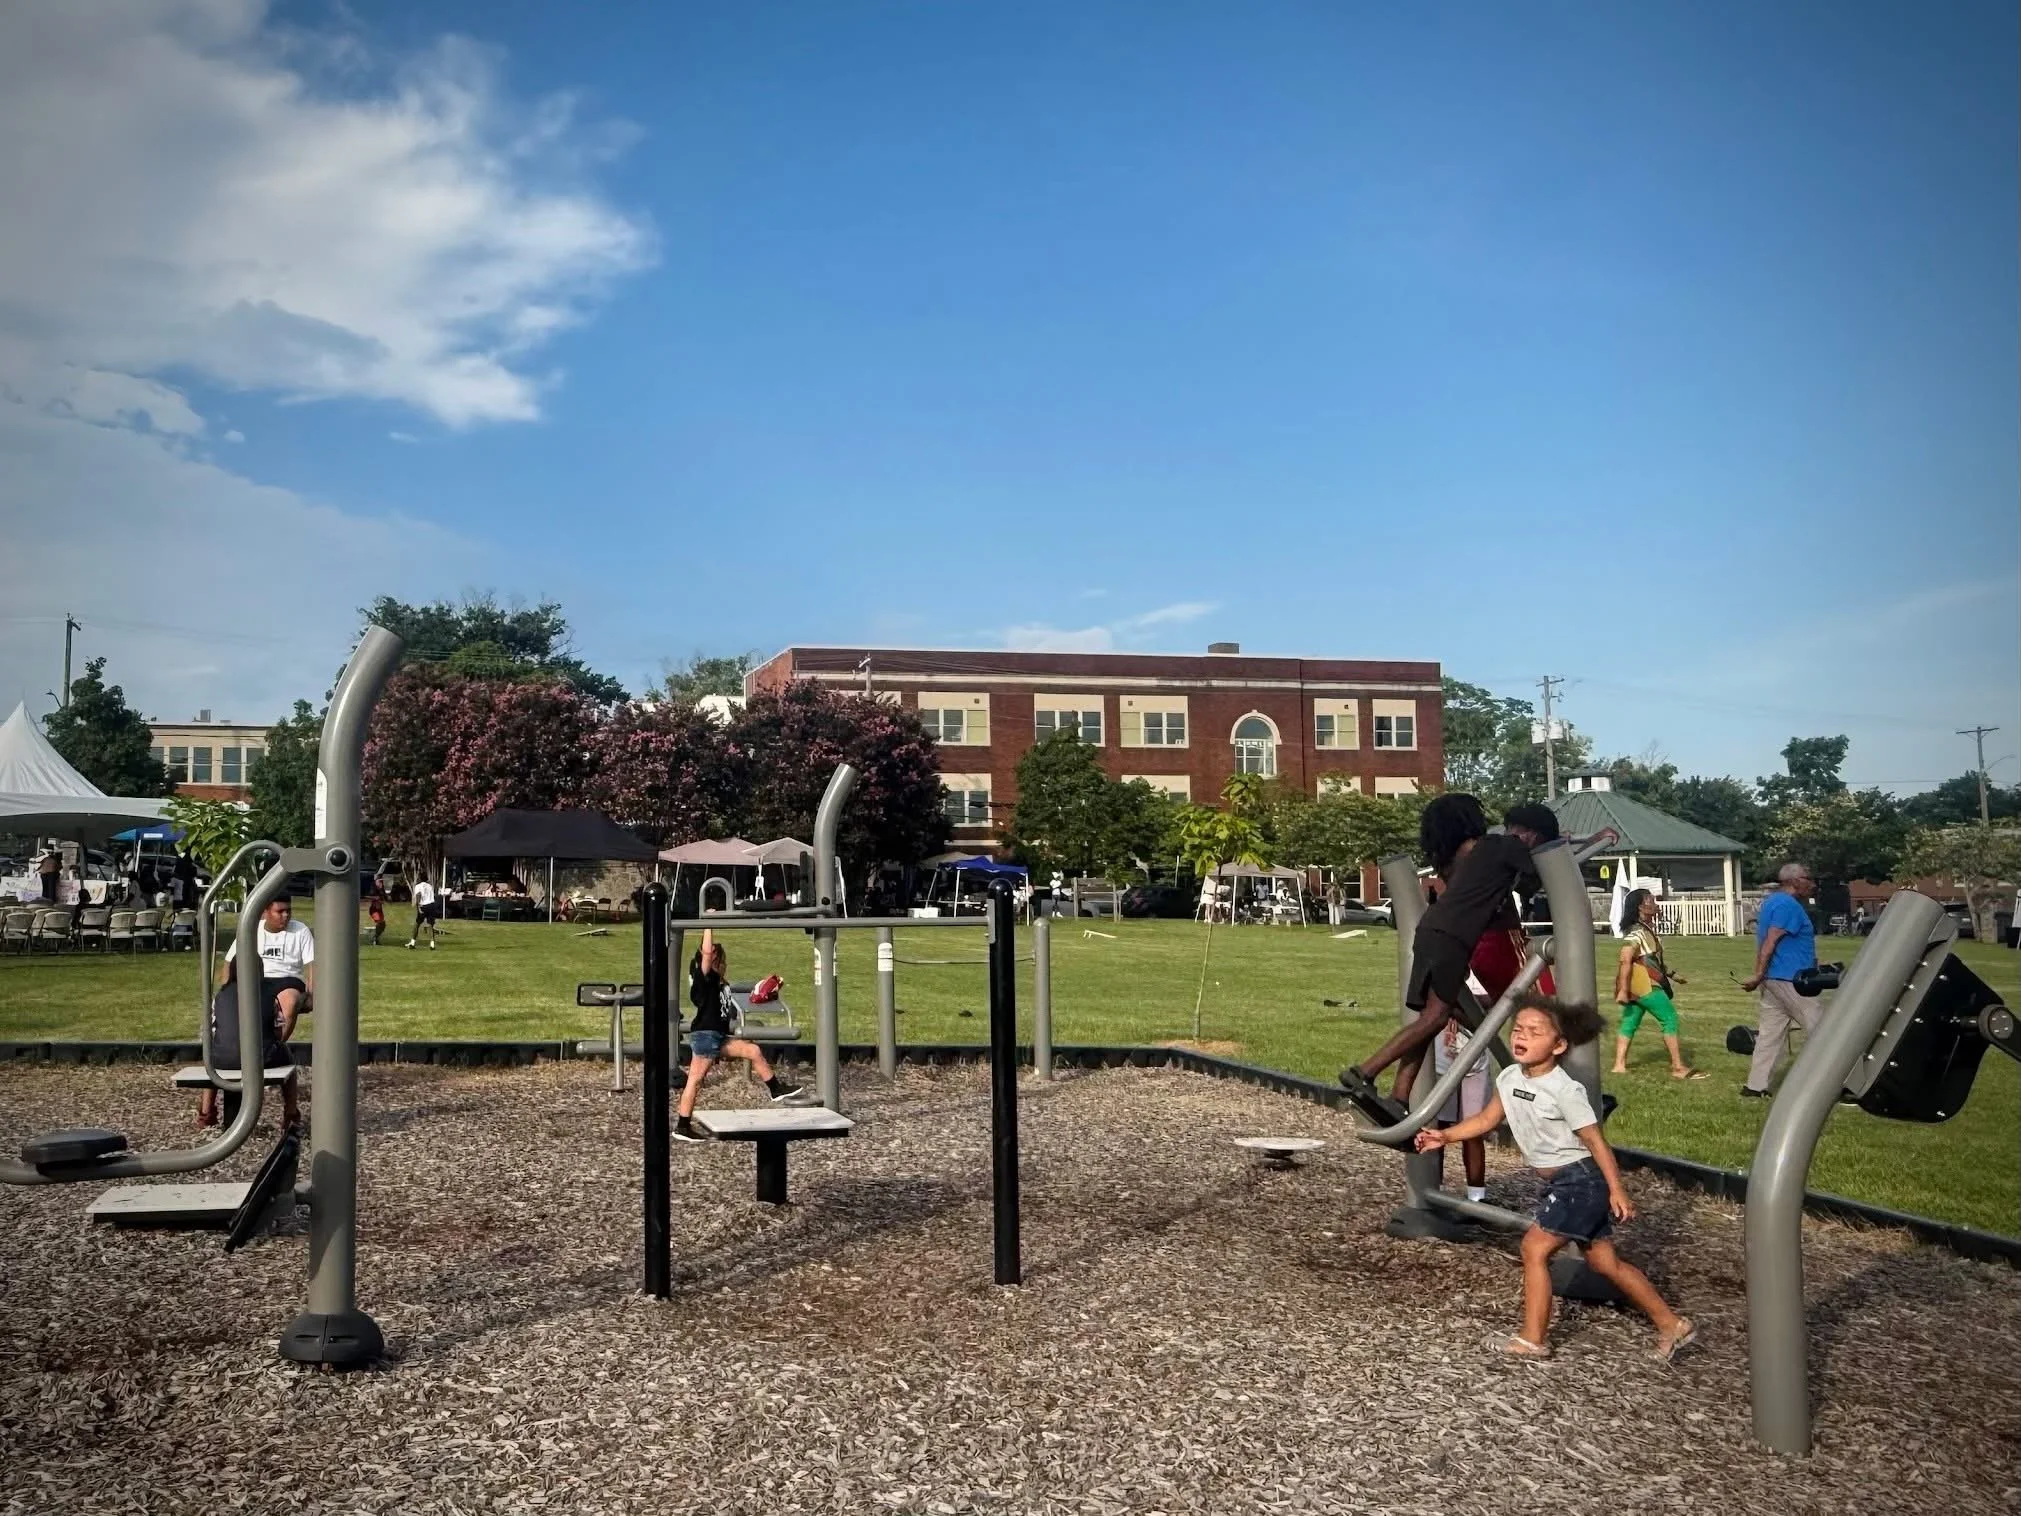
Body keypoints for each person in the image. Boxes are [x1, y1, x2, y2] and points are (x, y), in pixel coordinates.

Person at [1417, 1001, 1697, 1362]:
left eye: (1535, 1032)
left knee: (1534, 1249)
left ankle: (1532, 1339)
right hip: (1565, 1183)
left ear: (1559, 1046)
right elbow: (1486, 1120)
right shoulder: (1510, 1077)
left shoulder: (1565, 1090)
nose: (1522, 1036)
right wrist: (1445, 1136)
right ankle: (1672, 1324)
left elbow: (1595, 1141)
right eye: (1518, 1029)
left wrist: (1617, 1189)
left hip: (1579, 1181)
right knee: (1605, 1264)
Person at [1338, 796, 1561, 1121]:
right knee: (1436, 1019)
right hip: (1456, 940)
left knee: (1429, 1021)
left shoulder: (1448, 861)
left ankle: (1399, 1096)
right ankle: (1364, 1071)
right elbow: (1535, 873)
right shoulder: (1493, 846)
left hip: (1429, 931)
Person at [673, 929, 802, 1142]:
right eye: (721, 958)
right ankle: (682, 1126)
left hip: (717, 1036)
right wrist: (708, 925)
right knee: (694, 1081)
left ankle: (775, 1089)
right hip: (706, 1035)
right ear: (714, 958)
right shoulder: (704, 977)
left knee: (752, 1050)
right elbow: (706, 953)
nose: (725, 962)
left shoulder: (720, 982)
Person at [198, 896, 312, 1130]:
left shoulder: (221, 999)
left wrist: (311, 994)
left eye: (289, 911)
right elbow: (228, 963)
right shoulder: (251, 932)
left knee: (213, 1054)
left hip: (284, 982)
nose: (286, 916)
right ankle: (290, 1111)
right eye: (280, 911)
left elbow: (210, 1028)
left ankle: (205, 1111)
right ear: (264, 913)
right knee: (286, 1058)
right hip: (261, 1050)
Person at [1738, 863, 1820, 1097]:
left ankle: (1755, 1087)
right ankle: (1842, 1086)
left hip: (1774, 980)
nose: (1812, 883)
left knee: (1769, 1036)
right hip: (1792, 980)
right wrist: (1758, 974)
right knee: (1824, 1033)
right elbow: (1771, 942)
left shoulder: (1772, 902)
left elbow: (1764, 942)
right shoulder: (1788, 905)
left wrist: (1760, 976)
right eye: (1809, 878)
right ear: (1795, 881)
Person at [1611, 888, 1705, 1080]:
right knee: (1669, 1018)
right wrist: (1623, 990)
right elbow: (1626, 958)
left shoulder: (1644, 930)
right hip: (1646, 984)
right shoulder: (1638, 932)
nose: (1655, 904)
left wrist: (1672, 975)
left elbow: (1651, 960)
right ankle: (1678, 1067)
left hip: (1638, 984)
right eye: (1650, 901)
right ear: (1640, 907)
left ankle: (1619, 1065)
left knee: (1630, 1022)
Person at [1429, 1010, 1491, 1204]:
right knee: (1435, 1127)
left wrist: (1452, 1006)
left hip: (1475, 1063)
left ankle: (1477, 1196)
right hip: (1439, 1062)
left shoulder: (1480, 980)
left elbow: (1484, 1012)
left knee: (1473, 1129)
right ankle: (1434, 1189)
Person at [407, 874, 440, 949]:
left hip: (423, 906)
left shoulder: (418, 886)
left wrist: (418, 907)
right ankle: (432, 944)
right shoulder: (430, 886)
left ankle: (412, 942)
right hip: (431, 905)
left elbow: (419, 895)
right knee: (431, 925)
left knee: (417, 924)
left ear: (419, 879)